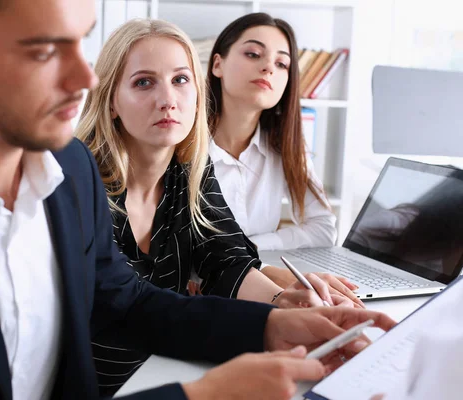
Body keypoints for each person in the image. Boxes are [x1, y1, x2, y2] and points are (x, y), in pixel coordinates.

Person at [0, 1, 395, 399]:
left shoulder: (65, 169)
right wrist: (201, 396)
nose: (84, 79)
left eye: (82, 42)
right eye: (44, 50)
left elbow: (126, 302)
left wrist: (272, 325)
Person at [76, 18, 359, 395]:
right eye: (144, 82)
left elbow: (222, 255)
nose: (168, 99)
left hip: (164, 368)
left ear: (197, 92)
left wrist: (282, 303)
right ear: (111, 101)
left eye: (180, 80)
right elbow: (119, 307)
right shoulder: (81, 178)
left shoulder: (189, 170)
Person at [205, 13, 362, 300]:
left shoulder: (285, 145)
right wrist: (254, 258)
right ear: (218, 64)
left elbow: (323, 228)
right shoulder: (184, 143)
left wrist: (250, 245)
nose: (268, 68)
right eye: (253, 54)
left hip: (257, 289)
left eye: (282, 64)